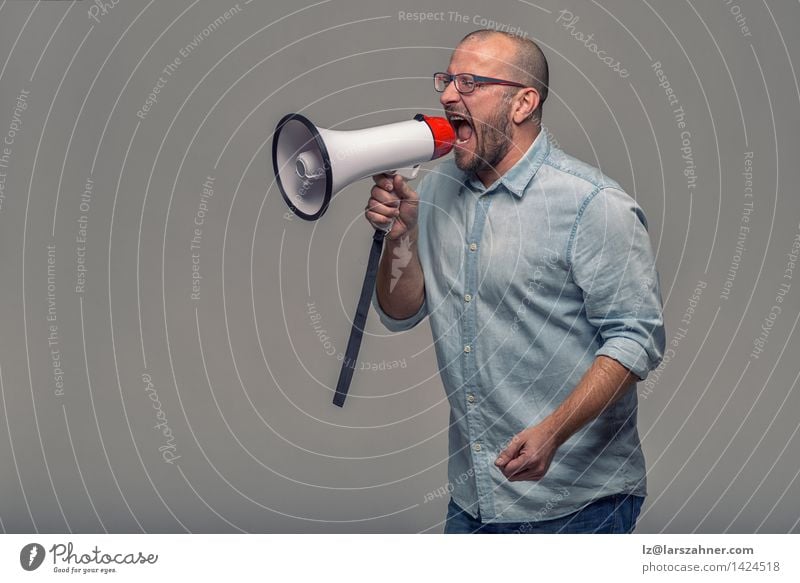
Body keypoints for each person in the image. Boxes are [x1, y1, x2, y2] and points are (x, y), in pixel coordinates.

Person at [365, 29, 665, 533]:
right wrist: (401, 236)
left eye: (469, 82)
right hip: (473, 496)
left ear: (523, 102)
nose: (445, 95)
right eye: (446, 80)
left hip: (577, 504)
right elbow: (399, 312)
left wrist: (554, 431)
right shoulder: (436, 190)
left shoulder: (593, 205)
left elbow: (637, 337)